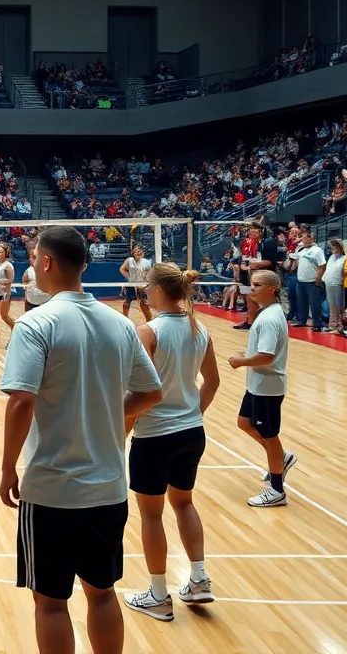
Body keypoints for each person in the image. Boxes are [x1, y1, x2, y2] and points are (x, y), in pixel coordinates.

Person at [0, 226, 163, 654]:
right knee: (102, 591)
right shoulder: (120, 323)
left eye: (35, 259)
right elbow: (151, 392)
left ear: (48, 263)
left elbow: (20, 402)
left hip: (52, 489)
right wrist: (108, 414)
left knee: (50, 602)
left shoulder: (36, 324)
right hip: (108, 487)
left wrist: (5, 468)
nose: (33, 265)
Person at [122, 265, 221, 621]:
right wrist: (192, 414)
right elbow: (212, 381)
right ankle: (198, 578)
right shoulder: (201, 328)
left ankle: (159, 595)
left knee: (151, 514)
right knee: (184, 504)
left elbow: (140, 392)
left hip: (155, 436)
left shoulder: (149, 332)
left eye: (148, 285)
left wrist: (123, 433)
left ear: (162, 289)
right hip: (191, 433)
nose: (145, 291)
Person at [227, 270, 297, 508]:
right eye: (251, 284)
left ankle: (276, 490)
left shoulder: (269, 319)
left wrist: (242, 361)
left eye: (257, 285)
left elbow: (267, 357)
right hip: (257, 384)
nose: (252, 288)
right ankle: (282, 457)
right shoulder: (266, 313)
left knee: (269, 435)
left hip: (267, 386)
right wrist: (246, 355)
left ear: (272, 288)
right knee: (244, 423)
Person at [290, 229, 326, 331]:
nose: (303, 241)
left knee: (314, 303)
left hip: (312, 281)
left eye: (305, 238)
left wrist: (318, 278)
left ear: (312, 239)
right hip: (301, 280)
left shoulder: (317, 250)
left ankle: (317, 322)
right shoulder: (302, 250)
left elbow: (322, 265)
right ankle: (302, 320)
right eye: (302, 238)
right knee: (302, 302)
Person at [119, 243, 154, 321]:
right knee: (127, 303)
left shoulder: (147, 262)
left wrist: (147, 282)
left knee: (144, 303)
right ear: (133, 253)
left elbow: (151, 272)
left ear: (142, 252)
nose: (138, 253)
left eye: (139, 251)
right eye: (136, 251)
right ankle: (125, 319)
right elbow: (122, 269)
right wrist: (129, 277)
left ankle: (149, 320)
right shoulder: (129, 260)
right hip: (131, 284)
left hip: (142, 285)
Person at [322, 239, 347, 333]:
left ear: (339, 248)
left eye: (334, 247)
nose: (332, 249)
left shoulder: (345, 258)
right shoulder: (332, 257)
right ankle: (333, 324)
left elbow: (343, 273)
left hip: (338, 283)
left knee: (339, 305)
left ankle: (341, 325)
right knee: (331, 305)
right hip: (328, 282)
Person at [20, 242, 50, 313]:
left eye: (34, 257)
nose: (30, 259)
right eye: (30, 257)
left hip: (45, 303)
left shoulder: (49, 270)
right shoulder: (28, 271)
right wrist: (25, 286)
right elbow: (24, 281)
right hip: (31, 303)